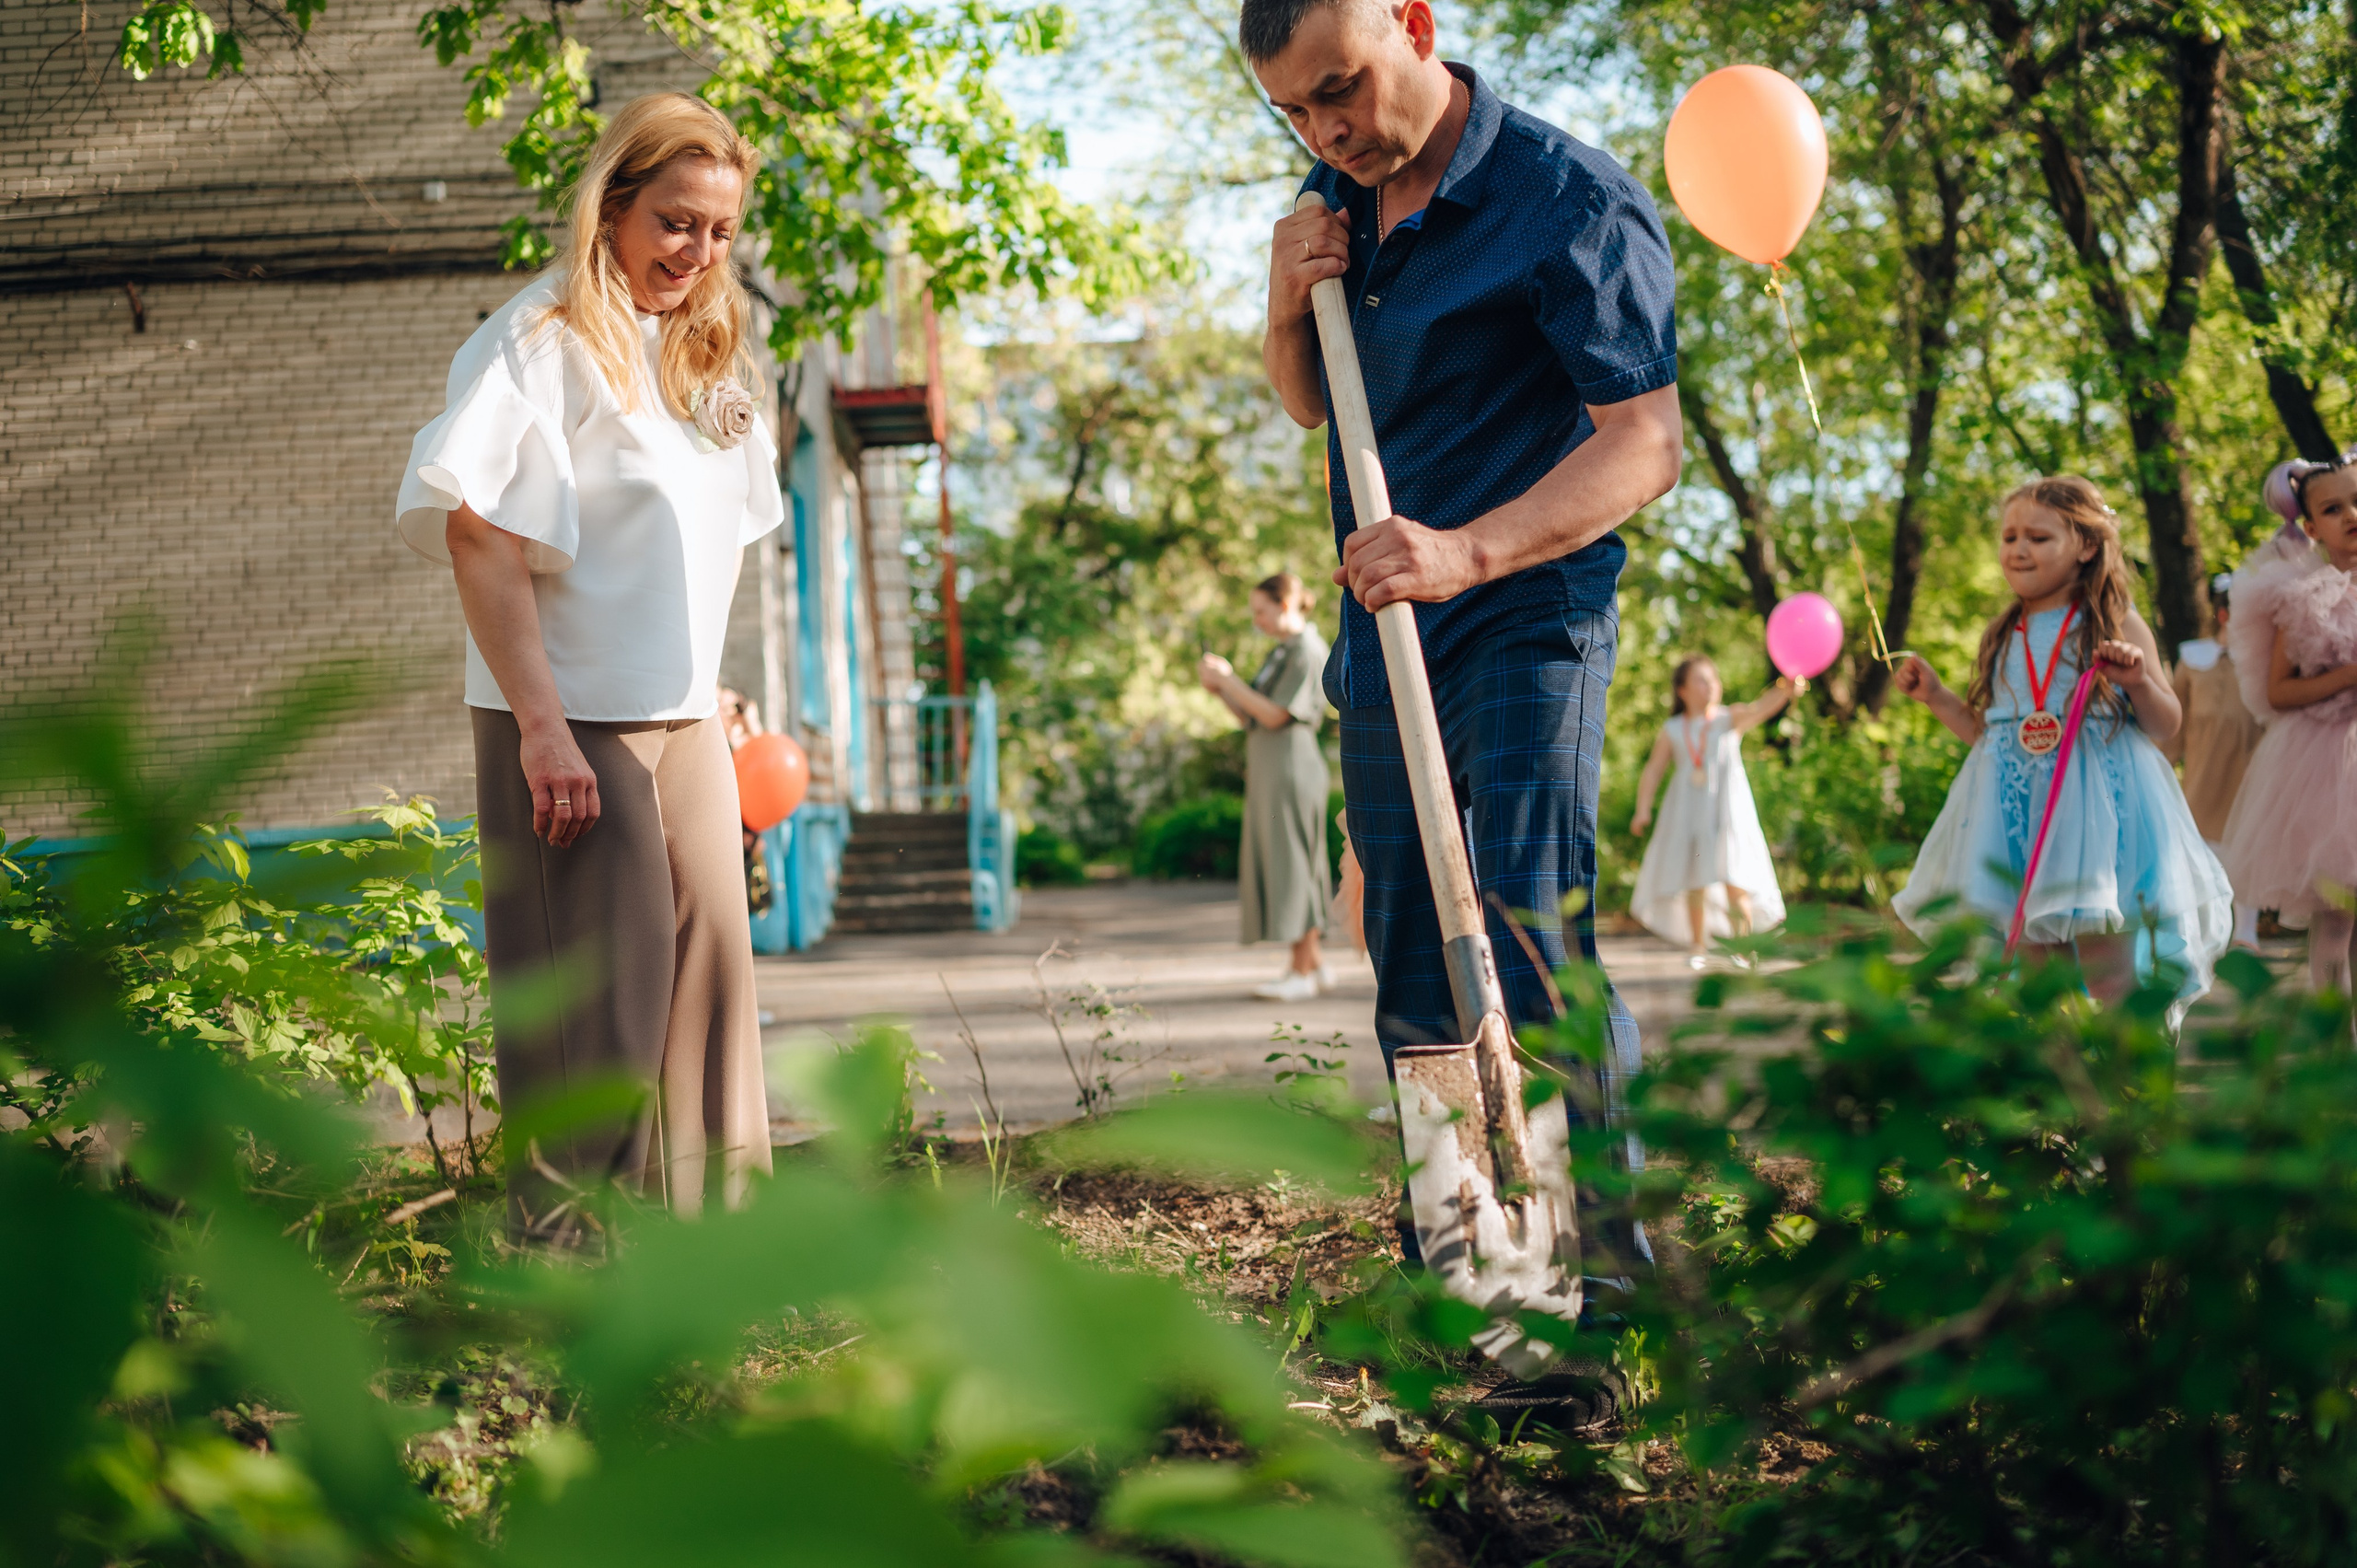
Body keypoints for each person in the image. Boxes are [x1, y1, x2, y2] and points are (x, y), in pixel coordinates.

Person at [1245, 0, 1679, 1226]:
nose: (1328, 129)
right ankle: (1476, 1261)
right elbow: (1309, 401)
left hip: (1528, 605)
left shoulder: (1569, 201)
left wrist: (1466, 550)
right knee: (1411, 948)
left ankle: (1596, 1279)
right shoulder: (1333, 196)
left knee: (1532, 926)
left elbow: (1645, 444)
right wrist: (1284, 302)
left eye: (1343, 89)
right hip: (1388, 624)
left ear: (1418, 25)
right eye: (1296, 110)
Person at [394, 94, 784, 1240]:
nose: (697, 252)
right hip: (574, 724)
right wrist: (542, 728)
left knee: (714, 991)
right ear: (612, 206)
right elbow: (476, 530)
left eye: (718, 230)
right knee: (597, 1018)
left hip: (685, 721)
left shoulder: (704, 352)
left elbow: (697, 544)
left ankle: (717, 1260)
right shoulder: (540, 339)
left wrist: (704, 682)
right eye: (674, 221)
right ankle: (567, 1276)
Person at [1891, 476, 2232, 1011]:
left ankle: (2131, 1080)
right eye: (2009, 537)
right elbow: (1991, 737)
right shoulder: (2004, 633)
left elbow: (2167, 724)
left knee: (2108, 967)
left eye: (2038, 537)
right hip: (2014, 818)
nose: (2018, 549)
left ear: (2087, 546)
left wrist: (2138, 681)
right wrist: (1937, 697)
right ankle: (2057, 1079)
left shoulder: (2114, 620)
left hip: (2097, 818)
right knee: (2035, 975)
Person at [2217, 457, 2357, 995]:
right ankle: (2331, 1041)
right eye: (2332, 508)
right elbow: (2279, 692)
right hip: (2328, 764)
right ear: (2310, 526)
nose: (2351, 515)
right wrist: (2347, 675)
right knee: (2339, 916)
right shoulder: (2304, 597)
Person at [1199, 573, 1335, 1001]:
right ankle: (1312, 965)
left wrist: (1229, 678)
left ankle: (1300, 971)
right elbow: (1251, 715)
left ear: (1286, 604)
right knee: (1291, 861)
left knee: (1294, 863)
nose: (1256, 619)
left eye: (1261, 610)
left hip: (1291, 764)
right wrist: (1221, 689)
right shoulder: (1283, 652)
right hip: (1272, 765)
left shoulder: (1307, 651)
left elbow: (1278, 715)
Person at [1628, 656, 1795, 967]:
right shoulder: (1674, 728)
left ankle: (1744, 948)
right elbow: (1653, 770)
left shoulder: (1728, 718)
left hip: (1726, 812)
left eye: (1713, 679)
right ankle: (1698, 946)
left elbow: (1760, 708)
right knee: (1695, 880)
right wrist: (1643, 809)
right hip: (1688, 813)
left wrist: (1786, 689)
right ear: (1682, 690)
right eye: (1702, 680)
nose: (1711, 685)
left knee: (1735, 878)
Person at [2157, 574, 2263, 948]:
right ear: (2223, 614)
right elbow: (2174, 721)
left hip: (2250, 767)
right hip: (2203, 768)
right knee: (2200, 845)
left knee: (2248, 841)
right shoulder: (2193, 661)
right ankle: (2204, 931)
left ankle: (2246, 929)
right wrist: (2163, 764)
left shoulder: (2262, 665)